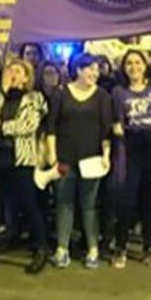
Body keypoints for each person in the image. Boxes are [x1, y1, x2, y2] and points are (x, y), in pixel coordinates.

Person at [0, 58, 50, 274]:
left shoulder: (34, 98)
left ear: (27, 77)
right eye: (10, 70)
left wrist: (3, 128)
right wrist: (3, 91)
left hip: (21, 157)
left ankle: (41, 248)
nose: (13, 73)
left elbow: (29, 124)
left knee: (28, 203)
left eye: (18, 70)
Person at [45, 54, 112, 269]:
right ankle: (62, 248)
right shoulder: (60, 93)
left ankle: (92, 248)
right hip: (64, 158)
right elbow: (51, 127)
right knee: (64, 203)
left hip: (92, 159)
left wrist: (106, 156)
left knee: (90, 205)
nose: (93, 74)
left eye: (96, 70)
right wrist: (52, 156)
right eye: (89, 69)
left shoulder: (102, 96)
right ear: (78, 70)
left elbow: (106, 130)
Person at [111, 50, 151, 268]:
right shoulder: (119, 92)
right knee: (127, 198)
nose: (134, 67)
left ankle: (149, 248)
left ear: (145, 65)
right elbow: (117, 122)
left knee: (150, 198)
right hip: (130, 145)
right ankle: (120, 246)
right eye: (129, 63)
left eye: (138, 62)